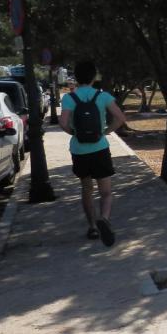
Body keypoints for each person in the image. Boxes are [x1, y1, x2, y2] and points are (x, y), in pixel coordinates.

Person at [59, 60, 128, 246]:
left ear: (77, 76)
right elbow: (121, 118)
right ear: (93, 76)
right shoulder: (103, 96)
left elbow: (63, 123)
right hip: (100, 148)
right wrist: (106, 131)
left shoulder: (68, 98)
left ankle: (92, 227)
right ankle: (104, 218)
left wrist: (74, 133)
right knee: (105, 192)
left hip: (79, 150)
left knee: (87, 189)